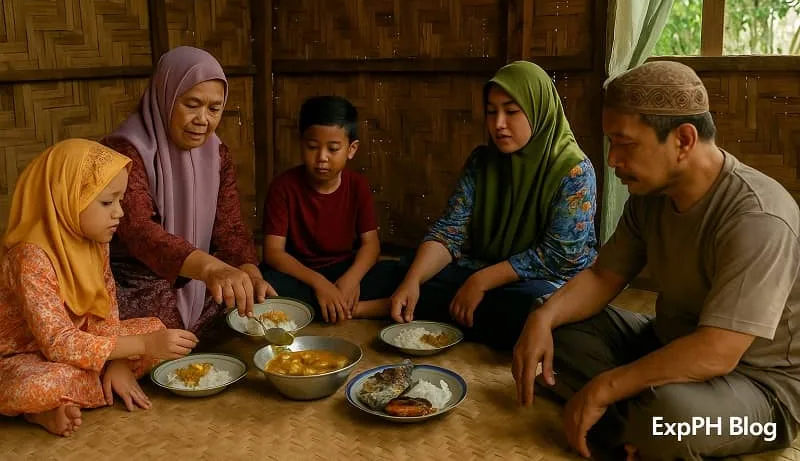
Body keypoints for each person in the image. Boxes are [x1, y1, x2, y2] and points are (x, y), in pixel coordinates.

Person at [512, 61, 800, 460]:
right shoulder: (649, 197)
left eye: (625, 143)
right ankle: (634, 425)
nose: (612, 160)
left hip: (761, 392)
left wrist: (605, 387)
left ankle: (630, 420)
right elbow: (602, 276)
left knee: (670, 417)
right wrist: (542, 317)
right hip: (666, 342)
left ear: (683, 140)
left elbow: (719, 351)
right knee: (553, 330)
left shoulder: (758, 217)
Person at [390, 61, 598, 349]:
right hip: (487, 268)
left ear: (538, 110)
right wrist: (412, 280)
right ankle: (448, 309)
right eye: (491, 112)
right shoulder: (482, 162)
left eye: (511, 111)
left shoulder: (574, 171)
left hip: (546, 281)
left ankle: (437, 311)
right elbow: (451, 230)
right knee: (406, 269)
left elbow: (559, 257)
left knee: (535, 306)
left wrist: (481, 281)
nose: (498, 123)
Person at [0, 139, 198, 437]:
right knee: (36, 386)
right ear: (67, 199)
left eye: (120, 201)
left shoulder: (96, 241)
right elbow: (57, 342)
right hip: (25, 357)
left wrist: (118, 360)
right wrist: (141, 347)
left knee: (156, 326)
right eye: (107, 202)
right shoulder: (30, 256)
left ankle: (76, 394)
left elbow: (107, 314)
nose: (119, 212)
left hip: (85, 345)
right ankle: (40, 410)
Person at [103, 46, 275, 336]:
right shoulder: (123, 152)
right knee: (156, 325)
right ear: (165, 97)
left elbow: (230, 227)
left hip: (201, 275)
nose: (203, 119)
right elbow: (140, 232)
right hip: (138, 277)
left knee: (247, 305)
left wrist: (249, 273)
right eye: (191, 104)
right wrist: (209, 269)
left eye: (214, 108)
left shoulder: (217, 154)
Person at [261, 96, 400, 323]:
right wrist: (320, 284)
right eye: (312, 147)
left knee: (400, 272)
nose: (322, 157)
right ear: (301, 143)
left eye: (333, 148)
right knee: (267, 287)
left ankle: (329, 309)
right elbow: (274, 253)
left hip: (344, 269)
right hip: (301, 275)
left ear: (351, 149)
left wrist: (351, 279)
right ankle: (359, 309)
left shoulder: (357, 185)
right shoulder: (283, 186)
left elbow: (371, 245)